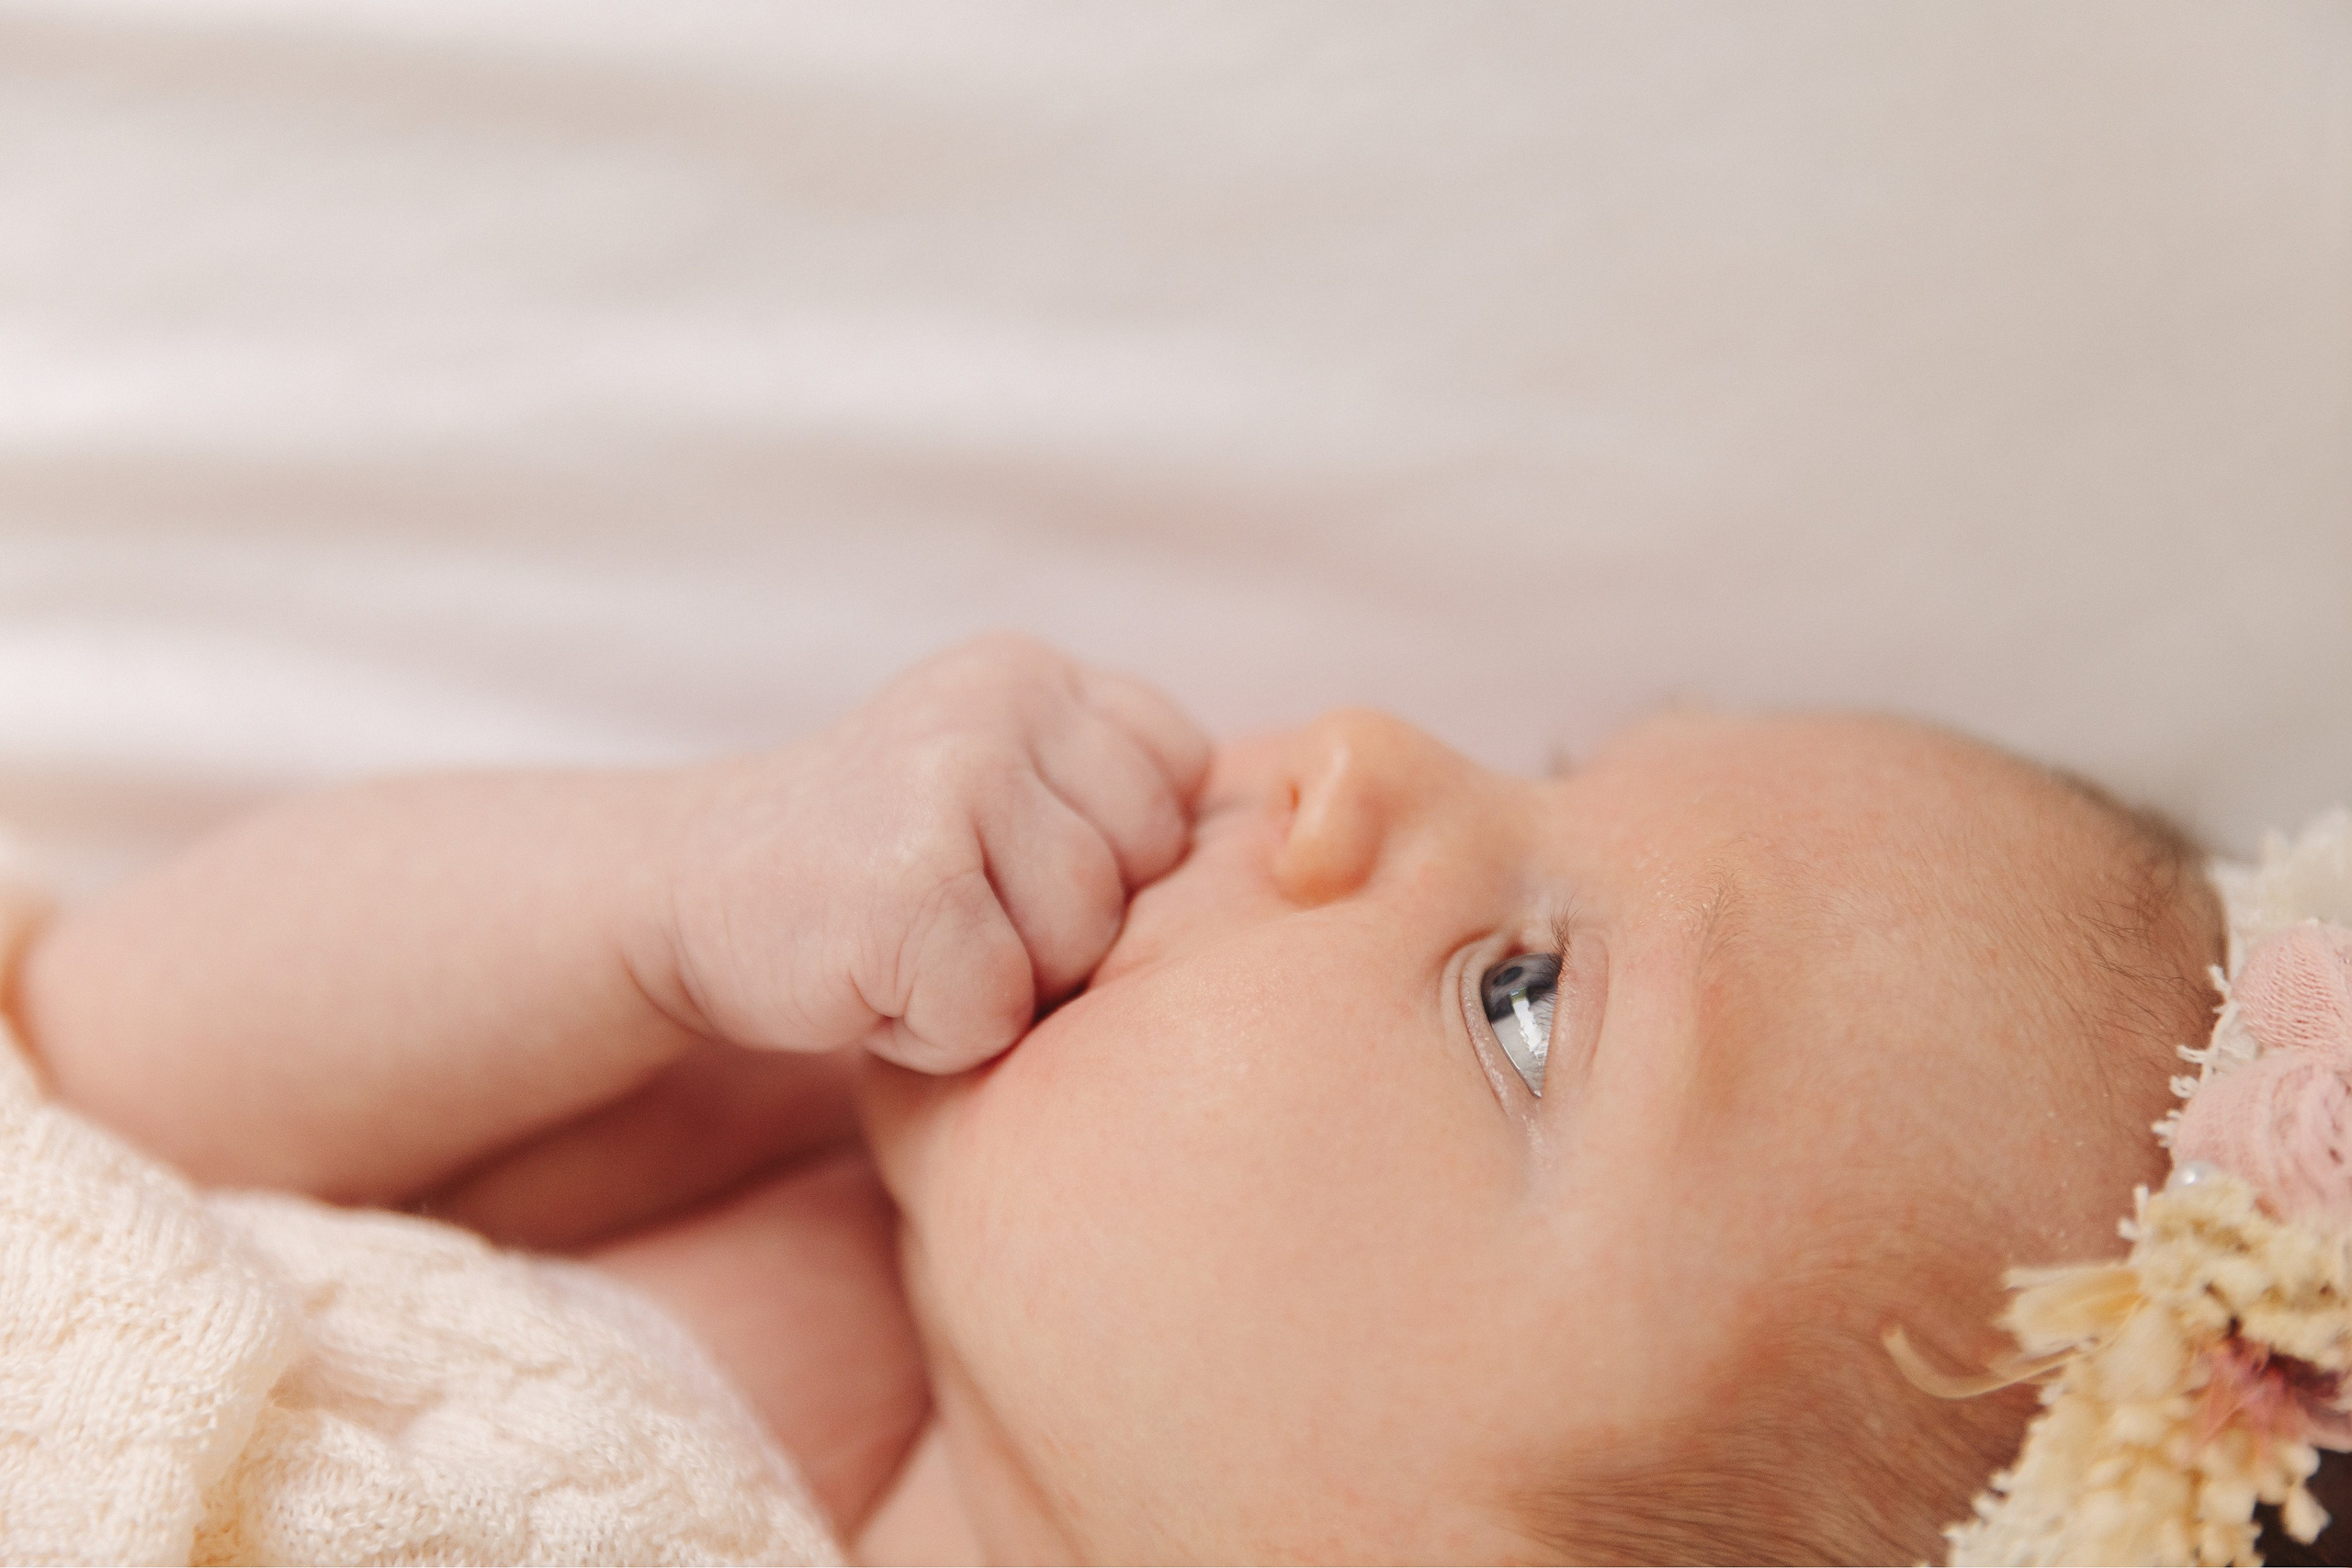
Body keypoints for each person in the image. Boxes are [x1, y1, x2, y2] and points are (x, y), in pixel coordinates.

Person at [3, 634, 2222, 1563]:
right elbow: (97, 1068)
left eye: (1524, 997)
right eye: (1542, 772)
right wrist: (661, 895)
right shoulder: (758, 1181)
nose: (1360, 752)